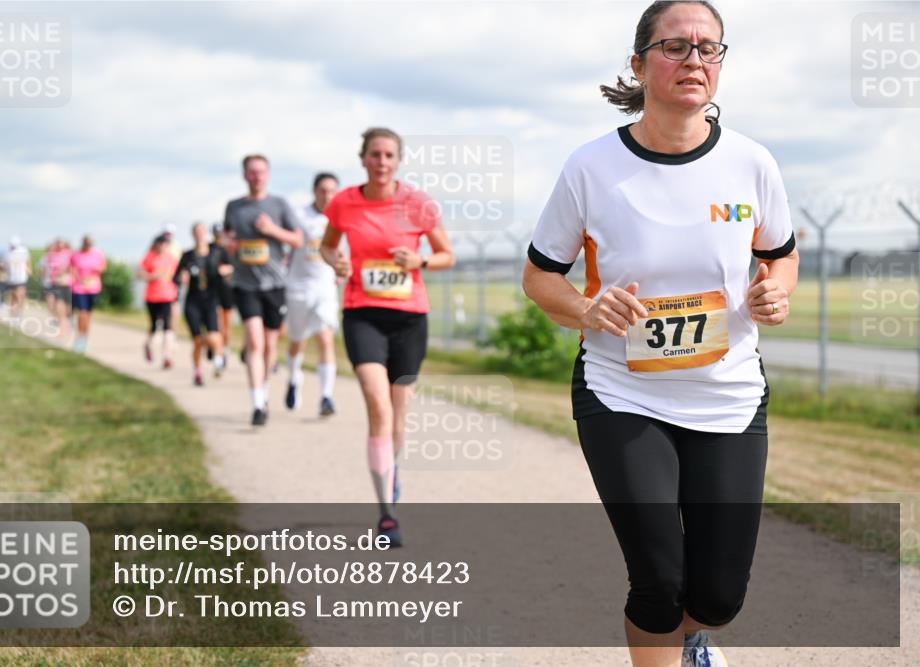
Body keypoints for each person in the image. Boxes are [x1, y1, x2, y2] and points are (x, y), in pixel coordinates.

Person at [522, 3, 799, 666]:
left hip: (727, 395)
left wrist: (776, 289)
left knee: (720, 595)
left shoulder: (751, 163)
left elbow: (782, 253)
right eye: (675, 46)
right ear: (640, 63)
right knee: (658, 584)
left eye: (709, 48)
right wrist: (586, 308)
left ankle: (695, 638)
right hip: (623, 394)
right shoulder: (591, 168)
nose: (695, 60)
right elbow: (539, 278)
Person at [320, 127, 454, 547]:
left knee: (399, 415)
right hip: (363, 314)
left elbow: (447, 255)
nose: (381, 161)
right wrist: (335, 262)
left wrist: (421, 260)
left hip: (410, 318)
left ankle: (390, 472)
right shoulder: (345, 202)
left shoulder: (417, 204)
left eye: (389, 155)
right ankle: (387, 514)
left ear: (398, 161)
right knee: (378, 406)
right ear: (363, 159)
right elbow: (325, 246)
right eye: (374, 154)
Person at [223, 154, 303, 426]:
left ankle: (264, 390)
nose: (256, 176)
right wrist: (229, 244)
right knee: (255, 342)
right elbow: (227, 237)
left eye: (261, 172)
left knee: (269, 345)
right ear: (244, 175)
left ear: (267, 175)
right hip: (245, 284)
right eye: (252, 172)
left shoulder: (279, 205)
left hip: (275, 284)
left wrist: (272, 230)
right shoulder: (234, 207)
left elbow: (298, 240)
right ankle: (257, 404)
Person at [285, 172, 341, 417]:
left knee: (325, 339)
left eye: (332, 191)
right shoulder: (299, 216)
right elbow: (289, 243)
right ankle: (294, 378)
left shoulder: (340, 217)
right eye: (323, 190)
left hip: (325, 287)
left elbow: (344, 248)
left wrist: (340, 267)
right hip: (298, 286)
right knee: (298, 341)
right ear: (314, 191)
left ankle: (326, 397)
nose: (327, 195)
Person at [176, 222, 233, 385]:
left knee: (214, 336)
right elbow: (177, 277)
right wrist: (181, 278)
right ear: (193, 234)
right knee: (197, 340)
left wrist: (225, 271)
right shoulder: (187, 256)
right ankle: (197, 372)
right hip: (193, 302)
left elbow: (232, 267)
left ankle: (218, 360)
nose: (200, 235)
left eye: (202, 231)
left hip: (211, 300)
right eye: (197, 232)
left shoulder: (217, 252)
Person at [138, 234, 179, 369]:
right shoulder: (149, 257)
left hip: (168, 296)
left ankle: (167, 356)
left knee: (168, 325)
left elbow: (178, 275)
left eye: (166, 244)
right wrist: (151, 276)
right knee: (155, 325)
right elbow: (140, 273)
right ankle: (148, 345)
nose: (163, 246)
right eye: (161, 243)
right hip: (152, 297)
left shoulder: (171, 258)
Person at [69, 235, 107, 353]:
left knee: (88, 315)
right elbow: (71, 269)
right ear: (83, 243)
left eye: (90, 244)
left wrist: (97, 270)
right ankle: (79, 337)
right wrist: (80, 279)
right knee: (82, 313)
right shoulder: (76, 255)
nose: (88, 246)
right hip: (79, 287)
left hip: (93, 288)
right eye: (86, 243)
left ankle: (85, 338)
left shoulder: (98, 254)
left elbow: (103, 267)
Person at [211, 223, 235, 367]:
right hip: (215, 291)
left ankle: (225, 349)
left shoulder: (230, 249)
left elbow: (234, 267)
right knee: (218, 324)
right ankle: (217, 351)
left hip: (228, 291)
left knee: (227, 326)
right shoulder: (210, 249)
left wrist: (226, 269)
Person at [43, 239, 73, 338]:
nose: (59, 246)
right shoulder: (51, 255)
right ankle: (61, 329)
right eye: (58, 245)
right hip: (56, 283)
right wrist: (54, 275)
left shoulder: (70, 254)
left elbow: (72, 266)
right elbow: (49, 269)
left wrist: (64, 270)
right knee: (59, 306)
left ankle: (68, 321)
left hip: (68, 284)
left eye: (61, 244)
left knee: (68, 308)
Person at [4, 236, 31, 322]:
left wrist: (29, 270)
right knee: (13, 297)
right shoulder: (8, 252)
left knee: (20, 295)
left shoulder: (24, 251)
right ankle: (13, 313)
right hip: (12, 278)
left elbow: (27, 262)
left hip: (21, 278)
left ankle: (18, 313)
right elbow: (7, 265)